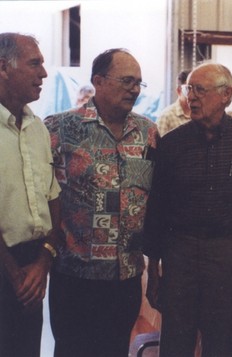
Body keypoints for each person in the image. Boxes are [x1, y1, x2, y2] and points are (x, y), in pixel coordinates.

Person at [143, 63, 232, 357]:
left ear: (226, 95)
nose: (191, 97)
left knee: (223, 342)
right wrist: (154, 271)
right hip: (179, 252)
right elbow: (156, 208)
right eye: (188, 89)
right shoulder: (173, 143)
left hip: (228, 252)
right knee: (176, 342)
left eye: (200, 90)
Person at [44, 48, 158, 357]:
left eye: (138, 83)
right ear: (98, 81)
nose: (134, 89)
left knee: (116, 350)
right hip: (75, 277)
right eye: (126, 80)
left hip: (127, 277)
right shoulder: (60, 129)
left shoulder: (148, 133)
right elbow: (40, 193)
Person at [0, 32, 62, 357]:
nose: (44, 74)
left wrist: (43, 261)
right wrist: (13, 272)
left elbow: (52, 199)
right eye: (34, 63)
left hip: (31, 270)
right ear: (3, 68)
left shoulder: (37, 128)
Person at [156, 69, 191, 136]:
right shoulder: (166, 117)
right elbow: (160, 145)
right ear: (179, 91)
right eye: (188, 89)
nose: (193, 94)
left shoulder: (200, 115)